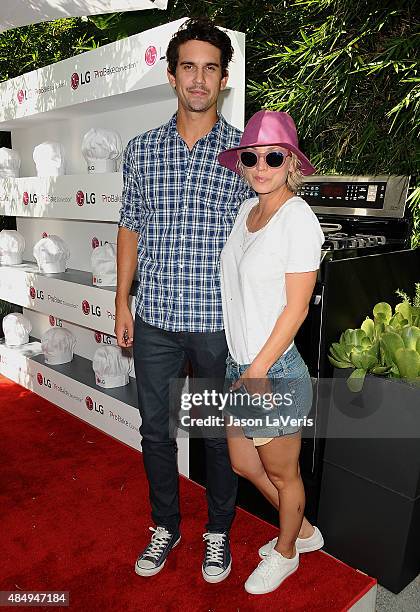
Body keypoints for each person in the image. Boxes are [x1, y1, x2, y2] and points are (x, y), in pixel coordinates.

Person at [115, 19, 252, 582]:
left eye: (211, 68)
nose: (199, 78)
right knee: (155, 431)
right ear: (172, 76)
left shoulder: (247, 153)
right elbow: (130, 225)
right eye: (189, 67)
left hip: (219, 324)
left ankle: (218, 532)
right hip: (154, 321)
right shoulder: (142, 149)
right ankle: (165, 526)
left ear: (223, 79)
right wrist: (122, 301)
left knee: (218, 434)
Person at [218, 110, 325, 595]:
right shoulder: (246, 212)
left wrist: (259, 369)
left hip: (271, 370)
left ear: (291, 164)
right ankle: (301, 530)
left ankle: (286, 553)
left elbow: (297, 309)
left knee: (285, 475)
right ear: (241, 162)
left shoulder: (298, 218)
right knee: (243, 463)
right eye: (251, 157)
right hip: (240, 364)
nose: (261, 166)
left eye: (273, 156)